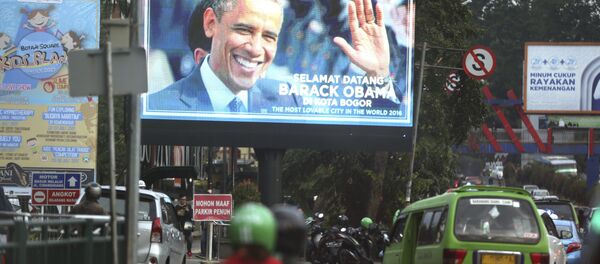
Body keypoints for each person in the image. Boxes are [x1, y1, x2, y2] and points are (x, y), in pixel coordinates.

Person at [148, 0, 395, 113]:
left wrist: (378, 74)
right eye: (243, 30)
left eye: (269, 36)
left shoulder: (289, 99)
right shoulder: (158, 106)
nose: (256, 49)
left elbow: (360, 128)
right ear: (211, 24)